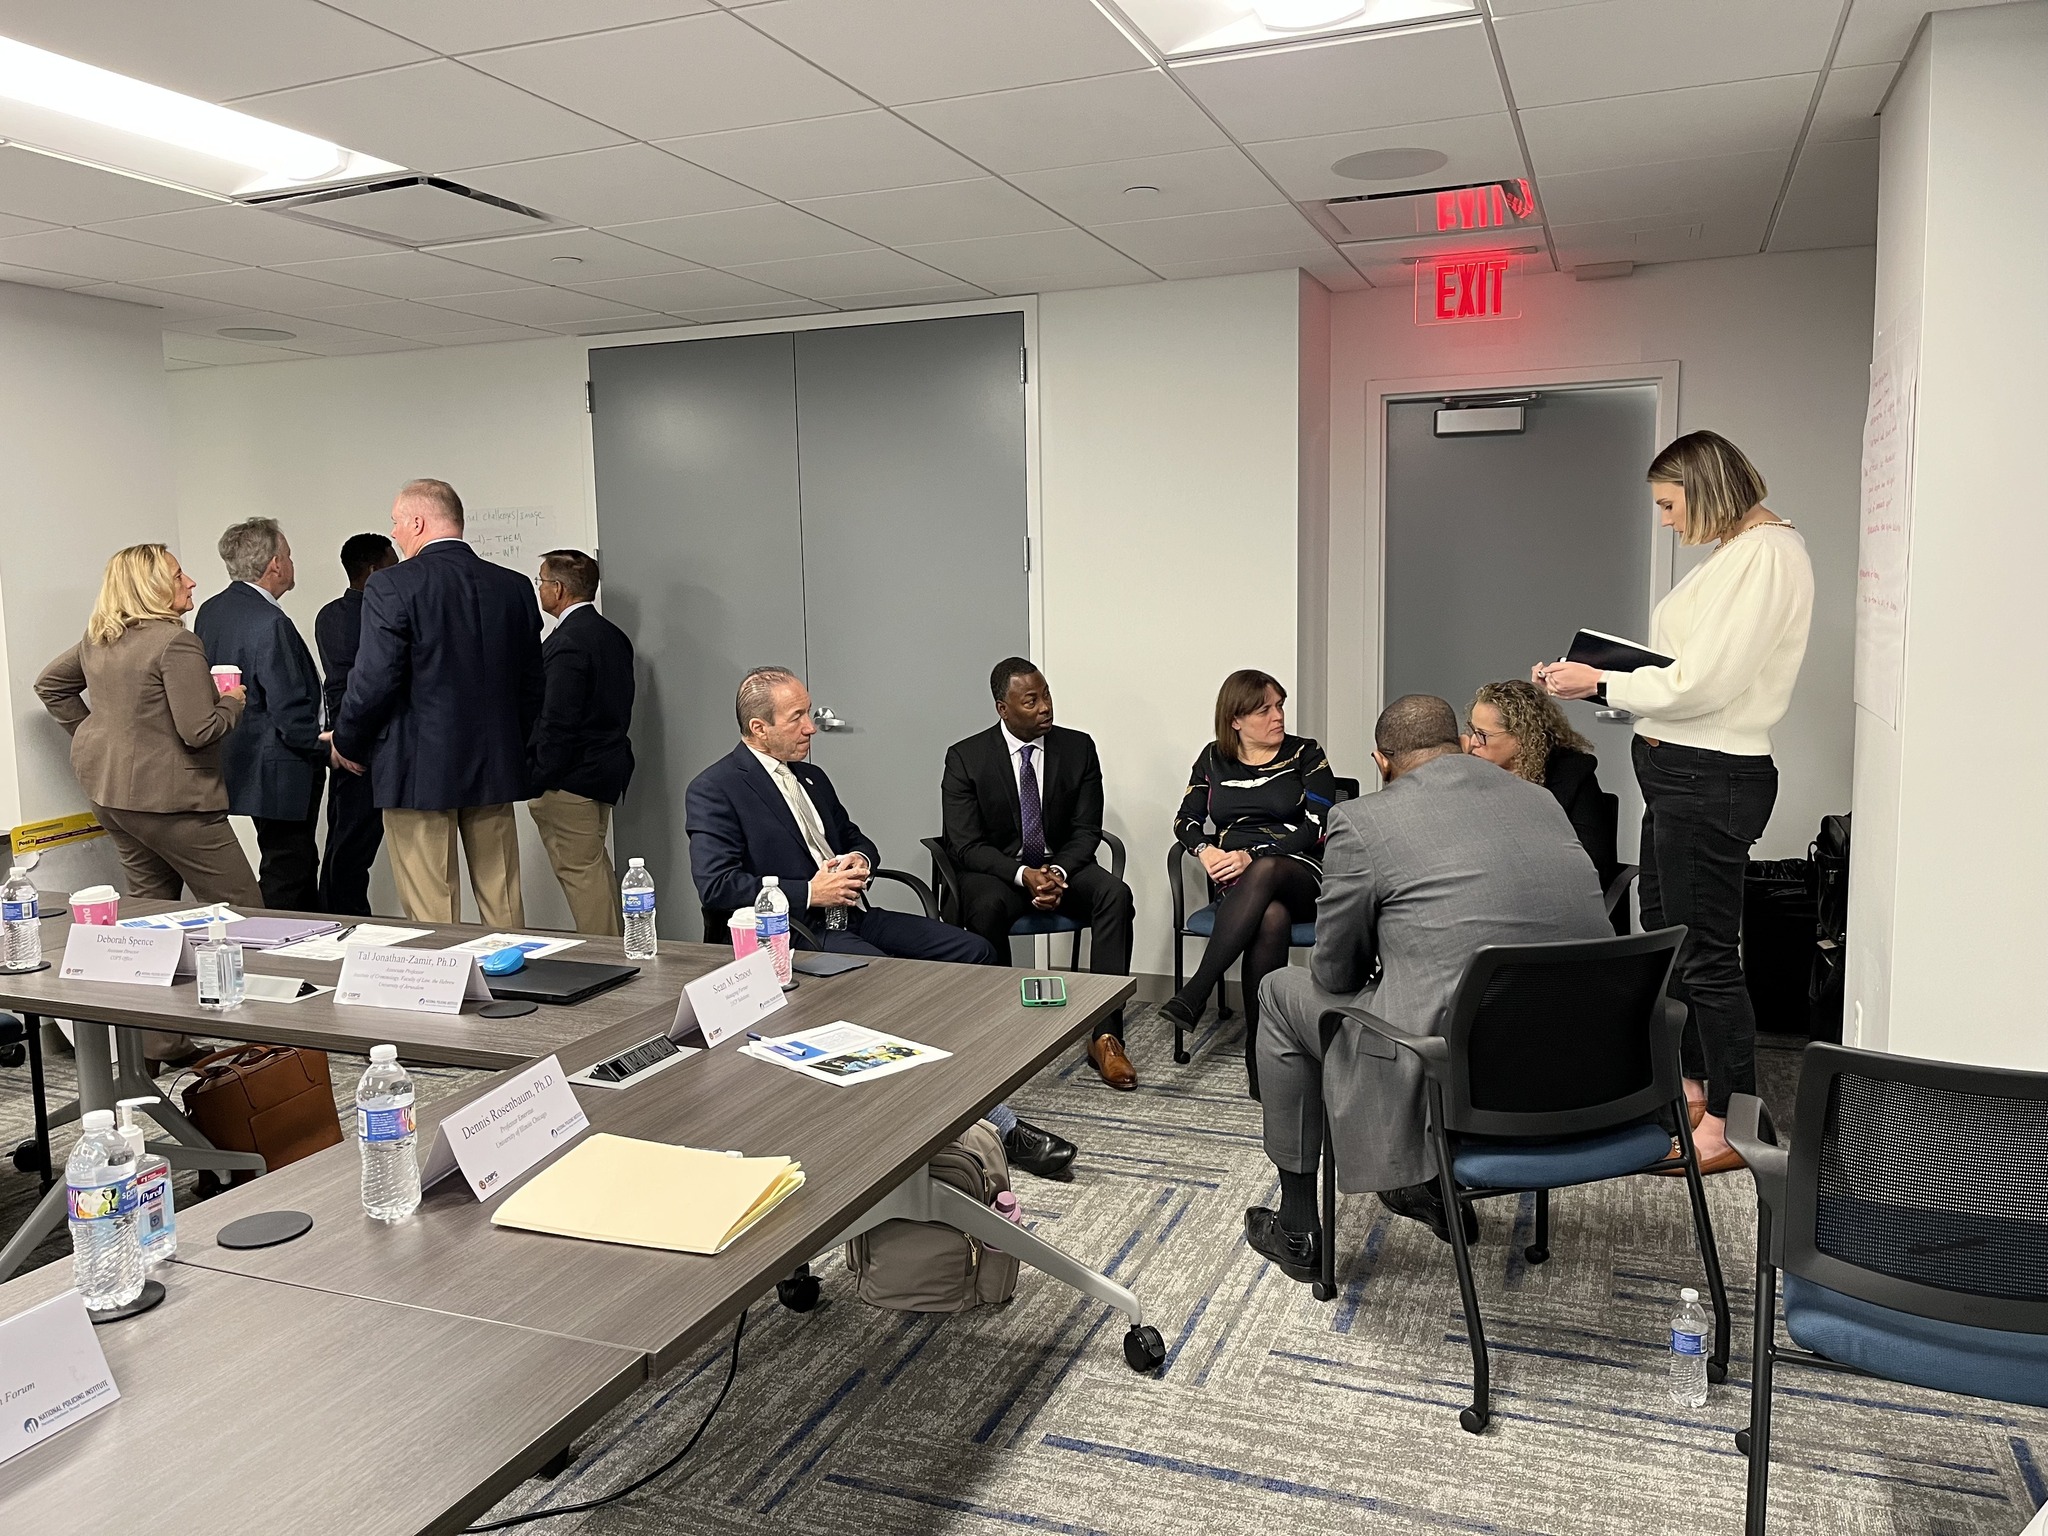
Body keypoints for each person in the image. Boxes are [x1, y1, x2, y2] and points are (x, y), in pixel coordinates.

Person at [1242, 696, 1612, 1281]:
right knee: (1438, 988)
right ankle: (1424, 1180)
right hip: (1584, 1064)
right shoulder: (1540, 800)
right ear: (1462, 742)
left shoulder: (1361, 821)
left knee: (1281, 991)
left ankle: (1298, 1227)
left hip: (1456, 1073)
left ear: (1381, 760)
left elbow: (1334, 975)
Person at [1534, 430, 1813, 1175]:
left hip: (1708, 773)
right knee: (1670, 934)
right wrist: (1602, 672)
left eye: (1667, 502)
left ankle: (1735, 1117)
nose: (1663, 519)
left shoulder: (1768, 555)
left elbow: (1708, 685)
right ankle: (1693, 1086)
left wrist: (1597, 684)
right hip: (1677, 766)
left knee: (1708, 953)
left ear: (1705, 485)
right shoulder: (1735, 554)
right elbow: (1688, 669)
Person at [687, 665, 1078, 1180]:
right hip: (799, 934)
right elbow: (717, 886)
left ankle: (959, 1089)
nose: (812, 727)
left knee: (975, 952)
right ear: (759, 728)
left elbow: (857, 837)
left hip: (855, 914)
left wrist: (860, 862)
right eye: (798, 716)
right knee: (893, 988)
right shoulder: (715, 788)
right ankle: (1002, 1127)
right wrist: (808, 890)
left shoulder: (812, 776)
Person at [37, 545, 263, 1064]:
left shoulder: (100, 639)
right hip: (177, 803)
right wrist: (232, 702)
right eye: (179, 574)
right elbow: (200, 730)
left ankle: (160, 1043)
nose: (191, 581)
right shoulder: (176, 644)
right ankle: (269, 1037)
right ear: (153, 585)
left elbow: (51, 685)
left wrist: (95, 732)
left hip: (113, 796)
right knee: (248, 916)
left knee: (152, 916)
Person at [330, 479, 542, 928]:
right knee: (504, 905)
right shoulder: (515, 586)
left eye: (396, 524)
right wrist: (509, 741)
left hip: (417, 770)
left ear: (418, 522)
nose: (395, 535)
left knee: (433, 913)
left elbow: (372, 681)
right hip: (495, 766)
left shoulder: (391, 586)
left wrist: (347, 741)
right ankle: (520, 987)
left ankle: (448, 995)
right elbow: (532, 685)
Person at [941, 658, 1138, 1090]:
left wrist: (1056, 871)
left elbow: (1087, 829)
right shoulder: (966, 758)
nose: (1045, 707)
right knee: (984, 906)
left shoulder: (1079, 748)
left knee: (1114, 895)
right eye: (1031, 700)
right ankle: (1000, 1036)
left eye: (1046, 694)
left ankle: (1106, 1036)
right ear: (1003, 708)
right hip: (1000, 871)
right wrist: (1022, 875)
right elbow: (965, 844)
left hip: (1062, 865)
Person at [1160, 670, 1338, 1098]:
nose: (1278, 716)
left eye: (1280, 706)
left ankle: (1197, 989)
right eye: (1265, 710)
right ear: (1235, 719)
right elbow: (1184, 820)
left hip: (1300, 873)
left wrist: (1251, 856)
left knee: (1267, 871)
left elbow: (1319, 824)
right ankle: (1262, 1064)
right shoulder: (1212, 759)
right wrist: (1205, 851)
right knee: (1270, 919)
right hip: (1239, 887)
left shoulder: (1306, 755)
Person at [192, 518, 326, 911]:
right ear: (274, 565)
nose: (290, 563)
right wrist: (324, 749)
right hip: (281, 767)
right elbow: (290, 708)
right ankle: (281, 954)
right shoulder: (271, 622)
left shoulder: (211, 612)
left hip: (235, 759)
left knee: (286, 862)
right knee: (290, 868)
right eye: (287, 555)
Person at [528, 549, 635, 937]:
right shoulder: (612, 635)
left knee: (581, 875)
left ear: (558, 589)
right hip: (604, 771)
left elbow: (557, 720)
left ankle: (608, 959)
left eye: (541, 580)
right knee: (593, 870)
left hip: (570, 779)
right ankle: (621, 951)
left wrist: (540, 776)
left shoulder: (569, 641)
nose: (539, 588)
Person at [1465, 679, 1621, 899]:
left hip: (1550, 895)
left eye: (1483, 734)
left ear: (1521, 737)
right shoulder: (1471, 774)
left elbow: (1593, 864)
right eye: (1472, 730)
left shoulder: (1572, 776)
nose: (1473, 742)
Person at [314, 532, 398, 915]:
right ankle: (348, 929)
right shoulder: (386, 613)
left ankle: (337, 926)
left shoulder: (329, 615)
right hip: (373, 746)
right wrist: (353, 742)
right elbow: (369, 684)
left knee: (344, 846)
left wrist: (343, 740)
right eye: (392, 560)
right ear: (374, 569)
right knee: (353, 852)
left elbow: (338, 686)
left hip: (346, 739)